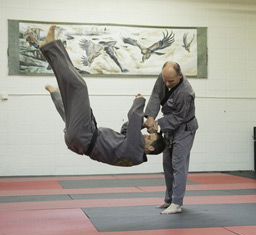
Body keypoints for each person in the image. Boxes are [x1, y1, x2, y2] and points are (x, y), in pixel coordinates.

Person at [39, 26, 165, 167]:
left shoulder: (136, 149)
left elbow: (134, 117)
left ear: (150, 148)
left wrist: (139, 101)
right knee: (71, 110)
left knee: (80, 87)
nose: (145, 136)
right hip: (79, 140)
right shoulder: (133, 156)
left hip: (84, 136)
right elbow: (126, 129)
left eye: (148, 137)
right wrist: (143, 124)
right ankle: (55, 92)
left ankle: (49, 47)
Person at [144, 62, 198, 214]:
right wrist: (150, 117)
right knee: (167, 163)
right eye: (165, 80)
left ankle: (177, 203)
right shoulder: (164, 78)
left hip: (184, 127)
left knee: (178, 163)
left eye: (171, 81)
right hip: (169, 127)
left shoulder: (186, 92)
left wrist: (157, 124)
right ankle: (168, 199)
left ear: (180, 76)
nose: (167, 83)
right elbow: (155, 96)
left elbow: (179, 117)